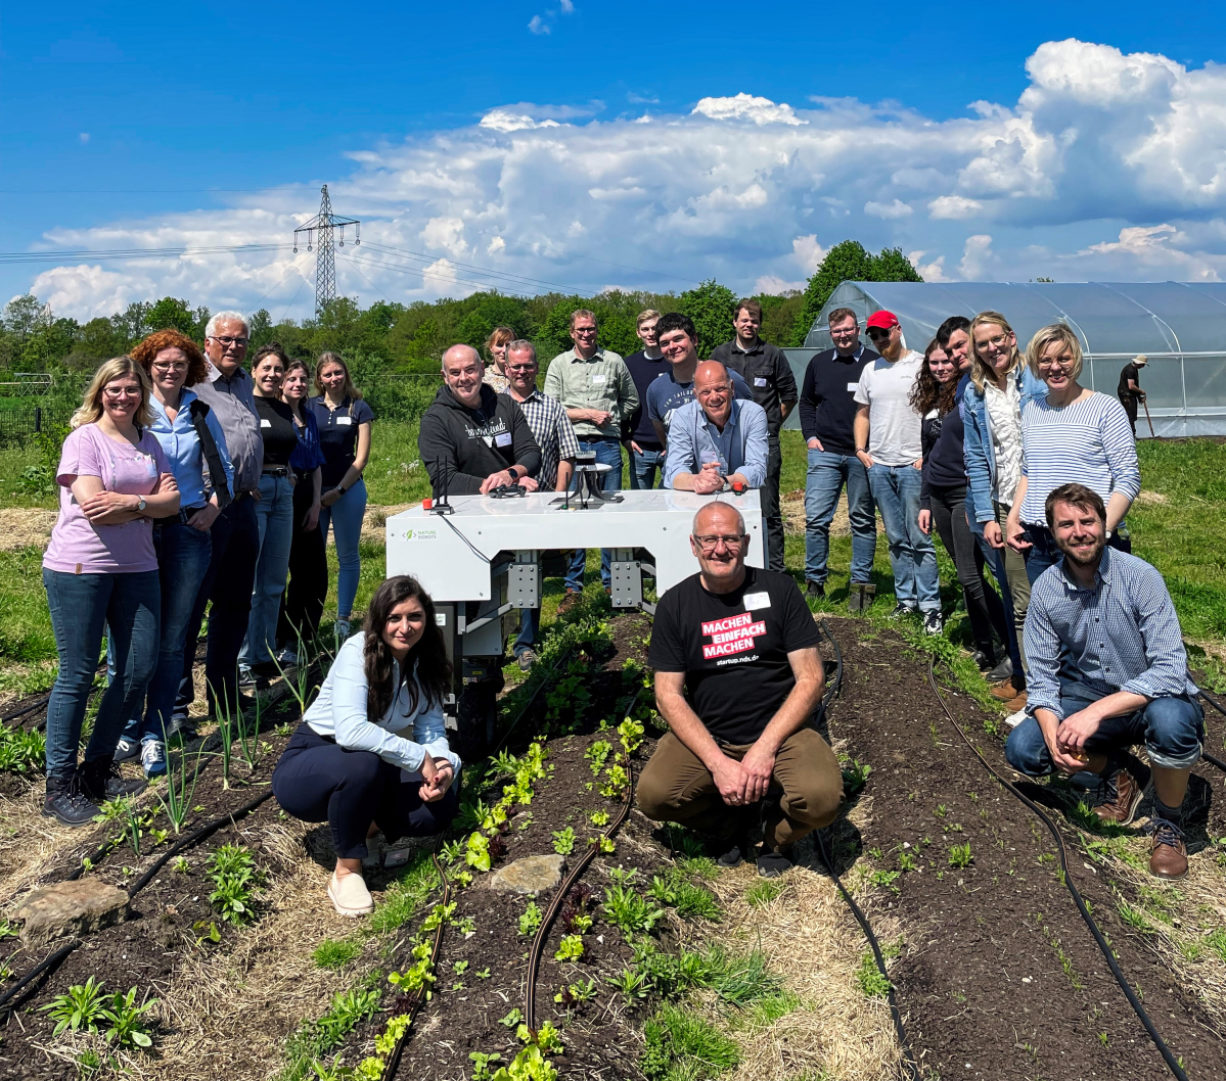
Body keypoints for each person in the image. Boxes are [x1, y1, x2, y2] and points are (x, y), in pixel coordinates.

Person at [1004, 484, 1202, 880]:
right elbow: (1041, 682)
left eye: (1087, 521)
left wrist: (1094, 714)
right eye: (1067, 524)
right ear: (1053, 532)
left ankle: (1168, 823)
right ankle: (1116, 772)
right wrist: (1052, 734)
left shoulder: (1140, 577)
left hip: (1152, 695)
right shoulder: (1046, 591)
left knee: (1172, 723)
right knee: (1026, 748)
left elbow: (1169, 668)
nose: (1079, 531)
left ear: (1103, 524)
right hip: (1091, 689)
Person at [637, 501, 843, 877]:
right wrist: (719, 765)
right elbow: (667, 695)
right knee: (655, 795)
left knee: (821, 799)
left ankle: (774, 836)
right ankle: (727, 825)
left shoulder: (779, 590)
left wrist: (764, 751)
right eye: (710, 539)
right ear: (694, 545)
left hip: (782, 732)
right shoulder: (675, 605)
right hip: (712, 732)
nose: (720, 549)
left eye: (730, 538)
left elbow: (812, 678)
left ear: (746, 543)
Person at [41, 357, 181, 825]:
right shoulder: (84, 440)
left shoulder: (149, 442)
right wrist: (147, 506)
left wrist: (132, 502)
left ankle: (96, 771)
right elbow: (92, 507)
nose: (124, 397)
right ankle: (59, 784)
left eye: (132, 389)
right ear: (100, 392)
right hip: (80, 568)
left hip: (139, 567)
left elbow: (173, 502)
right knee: (78, 674)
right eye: (114, 389)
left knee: (138, 667)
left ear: (143, 394)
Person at [271, 576, 461, 915]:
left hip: (373, 764)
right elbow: (350, 732)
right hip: (311, 763)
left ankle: (365, 829)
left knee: (439, 807)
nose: (405, 627)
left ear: (427, 619)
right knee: (363, 763)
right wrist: (418, 757)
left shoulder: (426, 662)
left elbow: (431, 730)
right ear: (379, 619)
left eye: (414, 617)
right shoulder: (357, 651)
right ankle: (346, 870)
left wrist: (444, 767)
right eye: (394, 618)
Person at [111, 331, 234, 778]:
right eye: (163, 363)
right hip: (136, 531)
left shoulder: (199, 411)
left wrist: (214, 509)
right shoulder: (133, 409)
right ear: (148, 364)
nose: (171, 370)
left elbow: (225, 466)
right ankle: (122, 726)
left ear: (191, 370)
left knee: (173, 637)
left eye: (180, 364)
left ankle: (154, 731)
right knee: (129, 632)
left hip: (185, 533)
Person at [1006, 323, 1140, 583]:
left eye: (1063, 358)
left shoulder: (1105, 409)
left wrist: (1101, 531)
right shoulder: (1033, 410)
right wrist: (1013, 518)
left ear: (1076, 359)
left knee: (1092, 618)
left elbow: (1128, 478)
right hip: (1037, 541)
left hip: (1084, 538)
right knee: (1051, 617)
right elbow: (1028, 472)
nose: (1054, 367)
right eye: (1045, 360)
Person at [960, 311, 1046, 712]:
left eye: (997, 339)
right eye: (983, 343)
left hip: (1041, 501)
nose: (992, 348)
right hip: (1002, 502)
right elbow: (976, 457)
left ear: (1011, 337)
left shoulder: (1037, 381)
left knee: (1037, 598)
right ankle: (1026, 680)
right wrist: (986, 515)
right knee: (1017, 598)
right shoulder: (975, 393)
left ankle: (1040, 684)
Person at [179, 311, 262, 723]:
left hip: (243, 503)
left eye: (241, 340)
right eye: (225, 340)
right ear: (207, 341)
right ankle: (175, 708)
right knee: (191, 606)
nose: (233, 347)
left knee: (234, 605)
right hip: (209, 507)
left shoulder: (244, 380)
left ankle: (223, 696)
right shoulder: (192, 381)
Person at [913, 338, 1011, 679]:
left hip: (962, 493)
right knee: (966, 576)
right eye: (934, 363)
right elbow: (928, 455)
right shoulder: (935, 399)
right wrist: (925, 501)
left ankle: (1011, 648)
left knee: (973, 575)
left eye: (947, 360)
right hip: (937, 493)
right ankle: (984, 646)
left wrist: (978, 499)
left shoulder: (971, 391)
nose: (941, 367)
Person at [853, 310, 942, 634]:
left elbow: (936, 411)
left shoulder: (920, 365)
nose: (878, 341)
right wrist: (862, 451)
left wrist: (926, 457)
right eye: (873, 336)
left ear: (897, 330)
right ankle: (907, 601)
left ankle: (931, 607)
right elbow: (863, 412)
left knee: (920, 539)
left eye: (883, 334)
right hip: (880, 467)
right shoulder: (870, 371)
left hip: (912, 467)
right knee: (895, 539)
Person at [543, 310, 637, 610]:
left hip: (607, 443)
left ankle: (613, 582)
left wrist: (612, 417)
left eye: (591, 329)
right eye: (581, 330)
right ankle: (573, 587)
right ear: (572, 332)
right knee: (573, 511)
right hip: (571, 447)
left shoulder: (613, 361)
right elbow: (551, 406)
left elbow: (631, 399)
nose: (587, 334)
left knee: (610, 510)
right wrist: (586, 414)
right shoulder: (559, 364)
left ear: (597, 330)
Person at [501, 340, 580, 669]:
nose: (522, 371)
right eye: (516, 366)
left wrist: (559, 495)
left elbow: (568, 453)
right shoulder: (492, 407)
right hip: (497, 504)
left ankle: (525, 642)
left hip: (540, 502)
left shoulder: (552, 406)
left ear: (537, 367)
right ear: (506, 368)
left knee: (528, 569)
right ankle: (493, 640)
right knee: (497, 573)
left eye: (528, 365)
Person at [797, 306, 880, 610]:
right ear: (830, 334)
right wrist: (810, 436)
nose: (843, 336)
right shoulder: (819, 363)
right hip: (827, 451)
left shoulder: (874, 362)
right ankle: (815, 583)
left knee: (862, 519)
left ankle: (860, 587)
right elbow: (806, 402)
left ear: (857, 330)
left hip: (863, 454)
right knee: (817, 519)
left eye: (847, 330)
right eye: (836, 332)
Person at [712, 299, 798, 571]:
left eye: (754, 321)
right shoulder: (720, 355)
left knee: (768, 509)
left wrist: (769, 425)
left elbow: (790, 396)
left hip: (764, 444)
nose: (749, 325)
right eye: (744, 320)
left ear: (759, 324)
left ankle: (774, 571)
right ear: (735, 322)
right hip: (725, 441)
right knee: (727, 503)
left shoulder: (772, 354)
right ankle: (732, 565)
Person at [238, 345, 297, 686]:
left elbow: (285, 445)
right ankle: (243, 660)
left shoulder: (282, 407)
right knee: (250, 582)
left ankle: (263, 653)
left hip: (282, 492)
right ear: (254, 370)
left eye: (279, 369)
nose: (273, 374)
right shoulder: (245, 404)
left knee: (274, 581)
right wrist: (246, 479)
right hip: (255, 492)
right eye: (267, 368)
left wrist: (287, 471)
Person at [310, 352, 375, 642]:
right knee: (312, 558)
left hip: (347, 490)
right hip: (313, 492)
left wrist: (339, 491)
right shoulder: (309, 407)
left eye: (338, 373)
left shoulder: (359, 408)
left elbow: (361, 458)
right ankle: (310, 619)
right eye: (328, 374)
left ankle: (342, 619)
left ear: (345, 374)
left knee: (347, 555)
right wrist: (318, 494)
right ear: (319, 379)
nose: (334, 378)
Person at [419, 344, 541, 496]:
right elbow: (444, 480)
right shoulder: (435, 421)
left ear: (482, 368)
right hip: (464, 511)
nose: (464, 378)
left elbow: (531, 452)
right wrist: (501, 487)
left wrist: (512, 475)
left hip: (513, 504)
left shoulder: (505, 404)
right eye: (455, 373)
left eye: (470, 370)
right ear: (445, 377)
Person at [276, 359, 326, 663]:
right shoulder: (276, 417)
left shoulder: (310, 416)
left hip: (310, 493)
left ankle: (307, 635)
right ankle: (283, 639)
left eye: (302, 379)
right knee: (283, 572)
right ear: (281, 383)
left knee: (315, 574)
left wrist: (318, 502)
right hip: (284, 495)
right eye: (291, 378)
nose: (298, 383)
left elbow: (317, 463)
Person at [662, 361, 768, 494]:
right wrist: (697, 481)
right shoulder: (683, 417)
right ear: (696, 396)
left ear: (732, 388)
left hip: (741, 497)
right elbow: (674, 471)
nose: (714, 397)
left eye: (720, 389)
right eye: (706, 392)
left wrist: (724, 482)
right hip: (697, 500)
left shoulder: (753, 414)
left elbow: (757, 469)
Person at [645, 313, 751, 445]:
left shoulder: (727, 378)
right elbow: (663, 437)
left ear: (694, 339)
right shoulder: (655, 390)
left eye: (678, 339)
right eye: (665, 343)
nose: (672, 346)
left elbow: (751, 425)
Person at [621, 309, 668, 490]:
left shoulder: (673, 362)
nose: (650, 333)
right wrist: (625, 438)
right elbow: (621, 402)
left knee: (673, 505)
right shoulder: (629, 364)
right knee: (641, 505)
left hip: (672, 449)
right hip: (640, 448)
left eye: (655, 328)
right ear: (638, 332)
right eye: (645, 329)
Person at [1118, 354, 1148, 438]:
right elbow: (1131, 386)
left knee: (1132, 414)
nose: (1143, 366)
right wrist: (1141, 391)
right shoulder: (1130, 370)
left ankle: (1131, 434)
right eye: (1143, 365)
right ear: (1139, 363)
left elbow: (1135, 385)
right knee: (1130, 414)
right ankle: (1131, 436)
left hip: (1129, 394)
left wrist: (1139, 397)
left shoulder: (1134, 369)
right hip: (1126, 395)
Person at [482, 325, 514, 395]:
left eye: (508, 345)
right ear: (491, 347)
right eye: (499, 345)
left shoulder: (520, 375)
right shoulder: (483, 378)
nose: (504, 350)